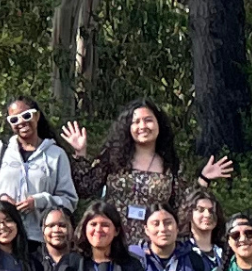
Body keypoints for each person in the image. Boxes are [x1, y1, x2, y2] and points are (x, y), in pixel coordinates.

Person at [61, 100, 235, 245]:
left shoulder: (171, 165)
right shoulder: (112, 158)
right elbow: (84, 188)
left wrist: (203, 178)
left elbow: (183, 208)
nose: (142, 126)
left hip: (154, 247)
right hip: (113, 243)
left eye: (148, 120)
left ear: (159, 125)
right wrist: (80, 153)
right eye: (136, 122)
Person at [0, 97, 78, 240]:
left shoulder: (56, 154)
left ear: (37, 115)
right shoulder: (0, 150)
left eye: (26, 115)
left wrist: (39, 201)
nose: (21, 122)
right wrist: (1, 197)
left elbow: (69, 200)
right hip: (3, 237)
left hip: (39, 239)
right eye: (14, 119)